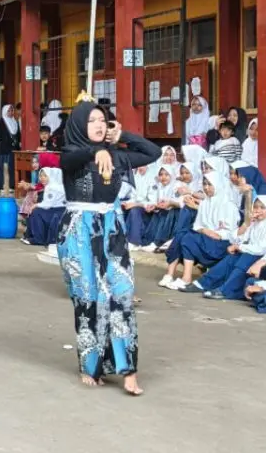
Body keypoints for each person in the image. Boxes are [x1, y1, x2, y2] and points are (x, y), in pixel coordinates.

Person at [56, 96, 159, 395]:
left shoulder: (117, 156)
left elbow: (152, 152)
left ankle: (128, 369)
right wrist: (95, 150)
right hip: (78, 232)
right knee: (89, 297)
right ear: (78, 126)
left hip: (112, 229)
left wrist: (121, 136)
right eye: (92, 121)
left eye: (103, 121)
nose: (99, 125)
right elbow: (69, 160)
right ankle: (91, 365)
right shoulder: (72, 154)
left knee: (121, 294)